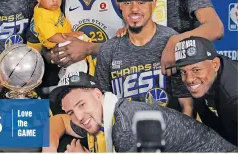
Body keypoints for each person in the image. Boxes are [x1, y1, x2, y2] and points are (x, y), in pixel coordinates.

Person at [45, 72, 237, 152]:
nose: (77, 117)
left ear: (97, 94)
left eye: (81, 105)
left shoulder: (126, 127)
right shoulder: (97, 116)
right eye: (71, 111)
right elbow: (58, 122)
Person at [95, 0, 191, 114]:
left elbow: (187, 106)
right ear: (120, 5)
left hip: (168, 132)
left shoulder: (170, 41)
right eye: (128, 3)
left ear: (153, 2)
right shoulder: (108, 50)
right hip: (124, 133)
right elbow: (101, 105)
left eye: (141, 2)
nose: (134, 9)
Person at [175, 36, 237, 145]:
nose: (189, 79)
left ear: (215, 65)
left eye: (196, 70)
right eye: (183, 72)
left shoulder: (232, 99)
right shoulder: (212, 70)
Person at [31, 0, 91, 79]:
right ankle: (75, 80)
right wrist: (72, 37)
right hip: (57, 45)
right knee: (79, 58)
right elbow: (52, 36)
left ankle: (69, 75)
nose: (55, 0)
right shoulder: (42, 15)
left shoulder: (49, 7)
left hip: (63, 40)